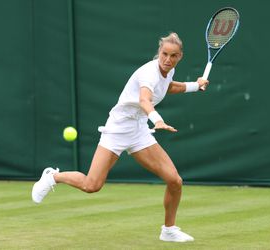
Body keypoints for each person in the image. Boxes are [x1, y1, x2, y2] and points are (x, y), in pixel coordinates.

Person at [32, 32, 209, 242]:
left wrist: (195, 86)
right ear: (158, 53)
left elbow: (168, 87)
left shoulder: (168, 71)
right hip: (118, 128)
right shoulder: (149, 73)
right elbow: (145, 99)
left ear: (180, 57)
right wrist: (157, 119)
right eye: (164, 54)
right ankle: (53, 176)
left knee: (174, 181)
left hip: (139, 129)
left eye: (173, 56)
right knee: (92, 185)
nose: (167, 59)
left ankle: (168, 230)